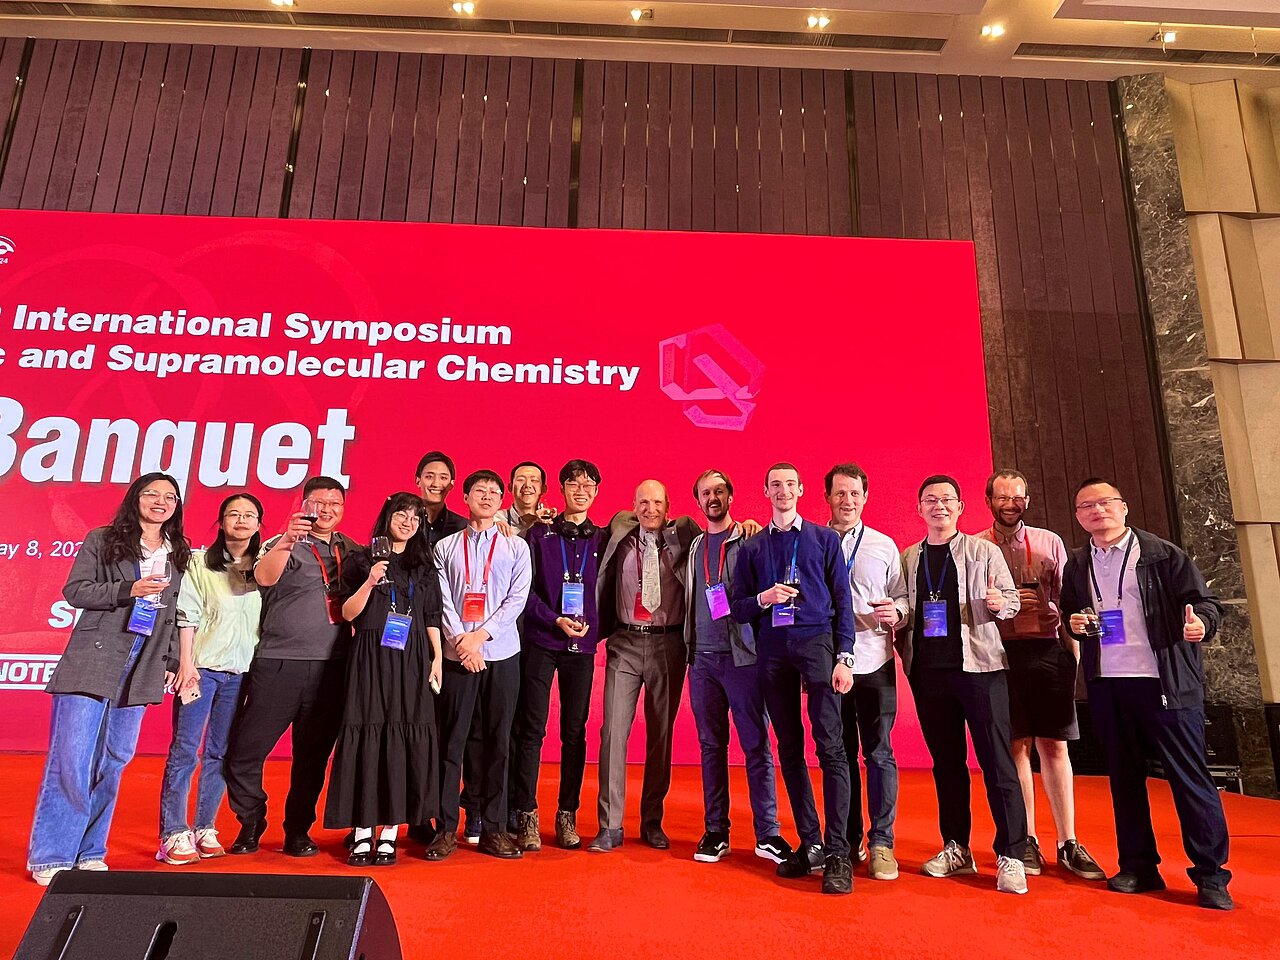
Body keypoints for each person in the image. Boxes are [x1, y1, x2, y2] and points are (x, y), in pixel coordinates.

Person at [1061, 478, 1232, 910]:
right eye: (1086, 506)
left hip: (1164, 683)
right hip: (1108, 683)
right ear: (1078, 516)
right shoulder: (1077, 563)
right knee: (1124, 779)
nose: (1097, 511)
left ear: (1124, 507)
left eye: (1105, 502)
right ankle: (1138, 866)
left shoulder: (1162, 554)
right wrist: (1074, 624)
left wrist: (1201, 624)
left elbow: (1206, 603)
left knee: (1189, 778)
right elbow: (1071, 613)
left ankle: (1211, 875)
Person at [28, 472, 189, 886]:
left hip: (143, 661)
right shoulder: (103, 539)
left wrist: (172, 658)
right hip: (94, 658)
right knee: (72, 759)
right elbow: (76, 591)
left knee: (114, 761)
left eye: (170, 496)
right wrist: (128, 589)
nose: (161, 501)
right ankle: (51, 855)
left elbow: (175, 612)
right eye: (152, 493)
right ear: (135, 498)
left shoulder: (179, 551)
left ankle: (89, 850)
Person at [730, 463, 856, 895]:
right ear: (765, 492)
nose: (783, 491)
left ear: (801, 490)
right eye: (775, 485)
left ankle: (838, 852)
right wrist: (764, 598)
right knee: (788, 747)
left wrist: (844, 657)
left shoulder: (824, 539)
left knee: (832, 748)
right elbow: (738, 608)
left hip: (818, 644)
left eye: (789, 484)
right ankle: (812, 842)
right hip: (772, 650)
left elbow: (842, 600)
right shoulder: (753, 548)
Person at [901, 474, 1028, 895]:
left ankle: (1012, 854)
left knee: (998, 763)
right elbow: (903, 607)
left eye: (947, 499)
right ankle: (956, 847)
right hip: (929, 673)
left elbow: (1011, 601)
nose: (939, 506)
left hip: (981, 669)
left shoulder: (984, 551)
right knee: (947, 765)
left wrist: (1000, 603)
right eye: (930, 500)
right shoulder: (909, 557)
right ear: (919, 509)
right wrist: (893, 614)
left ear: (960, 507)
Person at [224, 475, 359, 857]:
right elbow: (263, 577)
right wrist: (287, 539)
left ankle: (298, 830)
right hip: (279, 664)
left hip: (332, 668)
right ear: (304, 505)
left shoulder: (352, 549)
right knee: (245, 753)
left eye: (335, 503)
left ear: (343, 508)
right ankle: (252, 819)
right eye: (319, 502)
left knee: (312, 759)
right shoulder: (280, 542)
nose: (327, 510)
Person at [981, 469, 1104, 881]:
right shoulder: (978, 546)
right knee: (1016, 747)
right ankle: (1026, 839)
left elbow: (1070, 602)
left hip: (1050, 651)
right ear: (988, 501)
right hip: (1001, 654)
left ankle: (1068, 841)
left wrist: (1073, 657)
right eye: (1002, 497)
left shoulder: (1050, 541)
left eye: (1017, 497)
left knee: (1055, 746)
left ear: (1027, 501)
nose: (1010, 504)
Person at [326, 492, 444, 867]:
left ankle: (390, 833)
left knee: (404, 737)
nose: (408, 522)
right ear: (387, 517)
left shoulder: (424, 566)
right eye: (401, 515)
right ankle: (363, 831)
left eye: (415, 517)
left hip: (412, 658)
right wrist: (370, 580)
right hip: (370, 655)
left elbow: (431, 617)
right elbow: (348, 613)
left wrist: (437, 659)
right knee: (367, 733)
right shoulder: (362, 560)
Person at [684, 469, 790, 866]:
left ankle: (768, 834)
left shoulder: (750, 540)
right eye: (705, 493)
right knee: (711, 746)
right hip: (701, 661)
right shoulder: (694, 546)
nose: (712, 498)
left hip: (743, 658)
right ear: (698, 501)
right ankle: (716, 831)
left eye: (719, 491)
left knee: (756, 746)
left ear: (731, 495)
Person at [588, 480, 700, 852]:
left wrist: (745, 527)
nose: (650, 510)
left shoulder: (684, 536)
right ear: (633, 506)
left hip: (668, 643)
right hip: (625, 642)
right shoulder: (619, 533)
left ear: (669, 506)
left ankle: (652, 821)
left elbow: (718, 539)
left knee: (660, 735)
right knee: (612, 732)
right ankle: (610, 826)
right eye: (643, 503)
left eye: (657, 503)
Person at [427, 470, 532, 861]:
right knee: (451, 742)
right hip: (457, 658)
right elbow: (442, 600)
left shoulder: (516, 547)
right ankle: (445, 829)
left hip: (501, 653)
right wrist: (461, 641)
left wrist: (481, 637)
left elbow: (516, 599)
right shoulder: (446, 547)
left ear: (501, 500)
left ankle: (493, 828)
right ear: (466, 497)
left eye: (493, 492)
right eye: (479, 491)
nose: (486, 497)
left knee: (498, 742)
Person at [157, 493, 264, 865]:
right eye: (233, 513)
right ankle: (173, 832)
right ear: (221, 522)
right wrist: (186, 665)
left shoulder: (264, 568)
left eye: (249, 514)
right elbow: (186, 615)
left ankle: (205, 826)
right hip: (201, 670)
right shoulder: (201, 562)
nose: (241, 520)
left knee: (219, 753)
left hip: (240, 674)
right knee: (185, 751)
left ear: (259, 524)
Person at [509, 459, 607, 851]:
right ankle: (526, 814)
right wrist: (554, 619)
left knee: (574, 732)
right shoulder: (539, 534)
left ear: (596, 491)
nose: (581, 491)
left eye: (588, 485)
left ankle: (567, 814)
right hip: (542, 640)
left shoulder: (603, 539)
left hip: (581, 646)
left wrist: (591, 627)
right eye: (573, 484)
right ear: (561, 489)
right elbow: (524, 590)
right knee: (530, 729)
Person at [824, 463, 909, 881]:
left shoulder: (883, 545)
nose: (848, 501)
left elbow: (902, 597)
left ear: (865, 497)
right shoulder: (813, 542)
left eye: (855, 493)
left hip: (875, 660)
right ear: (827, 497)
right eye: (840, 493)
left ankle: (882, 843)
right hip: (829, 664)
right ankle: (846, 839)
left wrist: (898, 611)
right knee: (838, 754)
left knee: (878, 753)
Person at [499, 460, 557, 532]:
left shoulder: (551, 523)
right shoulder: (495, 520)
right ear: (510, 487)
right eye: (521, 480)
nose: (527, 485)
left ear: (543, 489)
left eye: (534, 480)